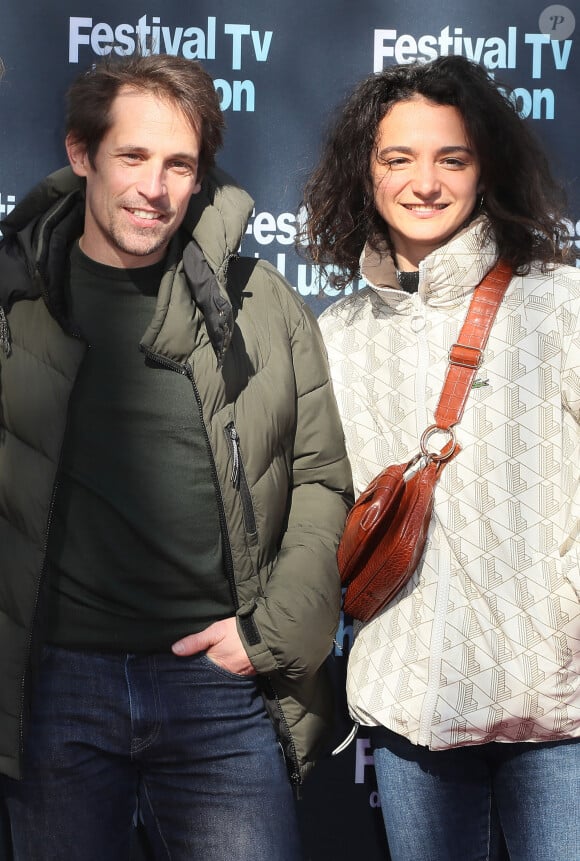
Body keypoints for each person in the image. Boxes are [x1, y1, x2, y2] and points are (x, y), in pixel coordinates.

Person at [0, 53, 353, 861]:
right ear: (82, 154)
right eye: (132, 157)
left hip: (219, 688)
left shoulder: (264, 303)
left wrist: (265, 635)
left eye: (178, 165)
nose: (153, 188)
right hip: (55, 688)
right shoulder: (14, 295)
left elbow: (319, 479)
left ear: (200, 177)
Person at [300, 55, 580, 861]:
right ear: (366, 173)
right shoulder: (340, 333)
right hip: (409, 705)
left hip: (555, 707)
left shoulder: (558, 304)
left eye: (450, 157)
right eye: (398, 158)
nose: (425, 181)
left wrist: (565, 614)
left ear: (484, 170)